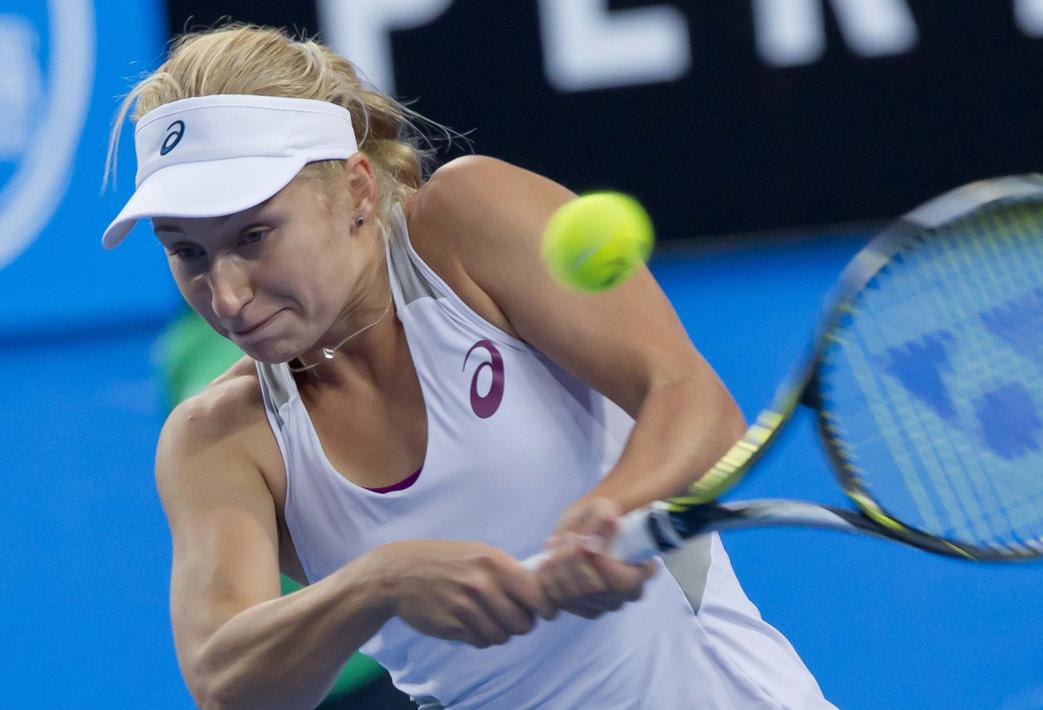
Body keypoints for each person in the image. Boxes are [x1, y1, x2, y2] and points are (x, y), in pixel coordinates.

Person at [105, 24, 834, 709]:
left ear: (357, 189)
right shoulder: (217, 439)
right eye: (186, 252)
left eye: (255, 235)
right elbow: (223, 680)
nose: (226, 295)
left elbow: (694, 402)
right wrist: (377, 583)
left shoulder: (466, 224)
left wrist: (611, 508)